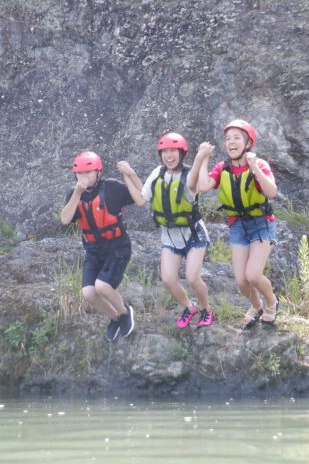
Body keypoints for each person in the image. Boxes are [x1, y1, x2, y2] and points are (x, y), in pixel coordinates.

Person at [188, 120, 279, 328]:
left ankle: (272, 302)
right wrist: (203, 159)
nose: (231, 141)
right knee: (241, 281)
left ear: (248, 143)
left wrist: (254, 166)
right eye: (228, 138)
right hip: (237, 224)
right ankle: (256, 306)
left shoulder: (260, 165)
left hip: (261, 222)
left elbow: (271, 192)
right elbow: (203, 186)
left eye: (237, 137)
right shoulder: (223, 167)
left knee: (253, 274)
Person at [122, 132, 213, 328]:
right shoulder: (158, 173)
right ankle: (189, 307)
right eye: (164, 152)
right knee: (168, 280)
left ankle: (206, 309)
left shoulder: (190, 174)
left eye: (173, 151)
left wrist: (200, 157)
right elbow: (141, 199)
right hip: (170, 237)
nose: (168, 156)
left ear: (181, 154)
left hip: (194, 234)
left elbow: (191, 184)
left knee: (192, 278)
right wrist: (127, 174)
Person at [59, 151, 142, 342]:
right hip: (93, 249)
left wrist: (130, 174)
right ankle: (114, 318)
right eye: (79, 173)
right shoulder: (74, 195)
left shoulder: (111, 188)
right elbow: (64, 220)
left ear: (98, 173)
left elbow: (142, 195)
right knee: (88, 293)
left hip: (117, 247)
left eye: (88, 172)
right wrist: (77, 192)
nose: (84, 177)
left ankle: (124, 312)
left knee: (103, 286)